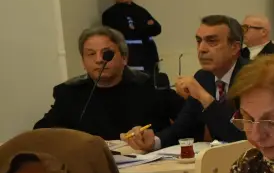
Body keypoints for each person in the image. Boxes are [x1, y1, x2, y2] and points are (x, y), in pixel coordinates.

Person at [125, 15, 248, 151]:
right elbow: (183, 127)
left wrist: (204, 97)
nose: (202, 49)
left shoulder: (253, 77)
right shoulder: (203, 77)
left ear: (235, 48)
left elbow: (242, 137)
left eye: (212, 41)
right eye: (199, 41)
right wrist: (154, 141)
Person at [36, 26, 178, 140]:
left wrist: (157, 139)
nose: (99, 60)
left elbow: (186, 123)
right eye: (91, 54)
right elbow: (40, 134)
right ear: (83, 62)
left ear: (124, 58)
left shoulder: (151, 86)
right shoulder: (70, 93)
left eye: (106, 53)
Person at [101, 0, 162, 79]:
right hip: (130, 56)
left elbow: (157, 29)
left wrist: (137, 27)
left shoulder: (141, 11)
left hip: (149, 55)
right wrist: (145, 26)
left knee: (151, 82)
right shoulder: (110, 14)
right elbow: (123, 33)